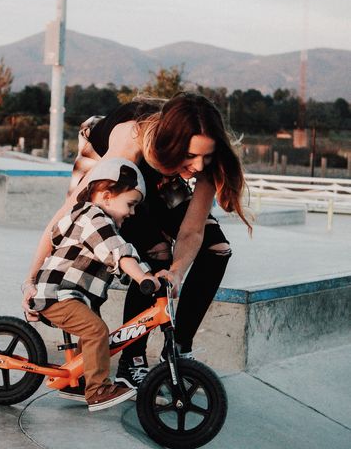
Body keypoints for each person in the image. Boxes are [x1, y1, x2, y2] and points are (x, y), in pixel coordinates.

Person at [23, 92, 251, 393]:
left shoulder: (205, 162)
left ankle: (178, 350)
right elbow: (68, 216)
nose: (197, 166)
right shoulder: (127, 143)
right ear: (171, 144)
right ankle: (131, 359)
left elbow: (192, 232)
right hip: (109, 161)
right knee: (150, 250)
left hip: (163, 173)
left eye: (205, 156)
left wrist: (177, 272)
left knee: (216, 249)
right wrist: (31, 280)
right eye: (190, 155)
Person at [22, 158, 160, 412]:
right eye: (130, 204)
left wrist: (153, 276)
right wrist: (144, 278)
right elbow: (118, 253)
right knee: (96, 331)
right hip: (57, 295)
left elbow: (122, 260)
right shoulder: (93, 219)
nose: (132, 213)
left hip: (73, 296)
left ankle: (79, 381)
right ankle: (97, 390)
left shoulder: (98, 220)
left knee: (94, 336)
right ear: (107, 196)